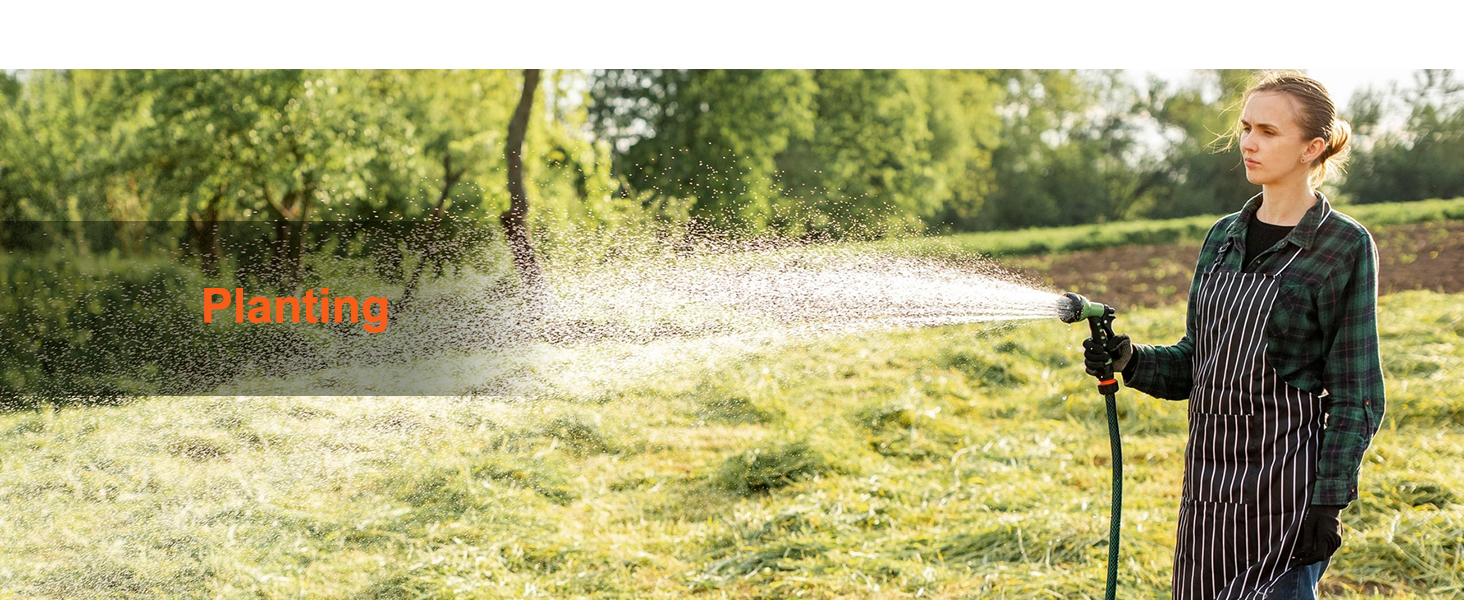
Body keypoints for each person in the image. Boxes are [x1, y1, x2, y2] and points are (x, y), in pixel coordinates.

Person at [1084, 71, 1386, 600]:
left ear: (1311, 148)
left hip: (1285, 492)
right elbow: (1197, 364)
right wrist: (1131, 360)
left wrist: (1328, 503)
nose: (1248, 142)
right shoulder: (1223, 236)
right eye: (1246, 127)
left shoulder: (1343, 246)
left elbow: (1357, 394)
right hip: (1206, 492)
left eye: (1268, 131)